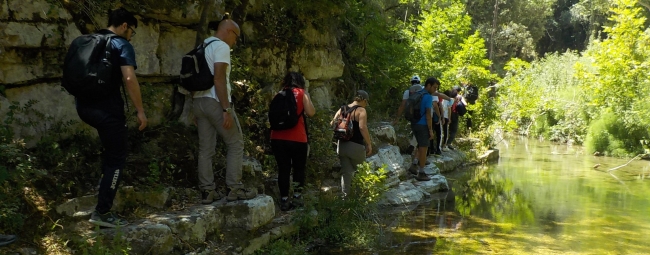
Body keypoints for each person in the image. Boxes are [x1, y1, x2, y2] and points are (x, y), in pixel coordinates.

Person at [74, 8, 147, 228]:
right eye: (132, 31)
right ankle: (103, 212)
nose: (131, 36)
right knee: (117, 157)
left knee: (110, 151)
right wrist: (140, 111)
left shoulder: (87, 40)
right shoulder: (120, 44)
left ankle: (103, 187)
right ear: (124, 26)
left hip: (83, 107)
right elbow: (129, 77)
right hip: (108, 111)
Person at [192, 18, 256, 204]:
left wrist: (195, 109)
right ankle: (235, 189)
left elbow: (195, 77)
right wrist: (226, 109)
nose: (235, 41)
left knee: (205, 149)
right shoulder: (221, 47)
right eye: (236, 36)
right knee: (235, 144)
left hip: (199, 101)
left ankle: (207, 192)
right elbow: (218, 79)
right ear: (228, 31)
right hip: (215, 102)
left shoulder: (202, 46)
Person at [271, 72, 316, 211]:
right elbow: (311, 112)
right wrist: (306, 95)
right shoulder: (302, 93)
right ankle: (297, 198)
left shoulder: (279, 94)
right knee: (299, 168)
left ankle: (284, 200)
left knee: (283, 169)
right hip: (297, 137)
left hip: (277, 137)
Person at [331, 90, 372, 196]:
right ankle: (360, 199)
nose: (366, 105)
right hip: (356, 147)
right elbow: (362, 127)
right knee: (360, 172)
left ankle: (345, 200)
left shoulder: (342, 108)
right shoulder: (361, 111)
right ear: (363, 100)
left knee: (346, 173)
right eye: (366, 102)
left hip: (342, 145)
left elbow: (332, 123)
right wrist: (369, 144)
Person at [410, 77, 443, 181]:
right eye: (434, 87)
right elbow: (428, 114)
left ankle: (413, 165)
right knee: (424, 148)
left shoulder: (418, 93)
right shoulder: (428, 97)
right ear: (428, 85)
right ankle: (421, 173)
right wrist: (430, 130)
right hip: (423, 124)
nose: (435, 90)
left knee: (420, 145)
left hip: (414, 123)